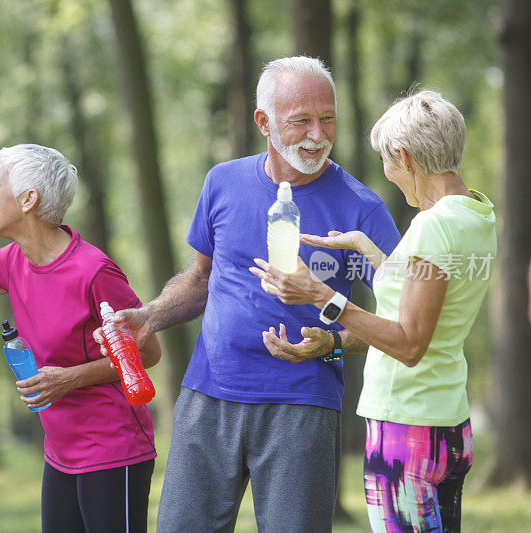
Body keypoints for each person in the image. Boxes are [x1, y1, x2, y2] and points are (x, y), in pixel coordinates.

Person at [96, 56, 401, 532]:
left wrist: (334, 342)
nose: (318, 135)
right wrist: (150, 316)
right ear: (263, 122)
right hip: (207, 396)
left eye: (328, 118)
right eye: (301, 120)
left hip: (302, 403)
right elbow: (201, 279)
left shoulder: (361, 207)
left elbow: (402, 327)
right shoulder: (223, 182)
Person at [251, 90, 496, 531]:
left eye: (387, 159)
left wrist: (321, 295)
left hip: (406, 431)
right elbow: (429, 295)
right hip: (449, 428)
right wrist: (366, 248)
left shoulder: (432, 226)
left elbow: (409, 342)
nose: (388, 171)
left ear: (404, 157)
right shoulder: (477, 213)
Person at [0, 143, 161, 533]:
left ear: (28, 199)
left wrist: (68, 378)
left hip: (113, 449)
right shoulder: (13, 259)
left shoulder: (93, 271)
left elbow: (148, 351)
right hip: (60, 452)